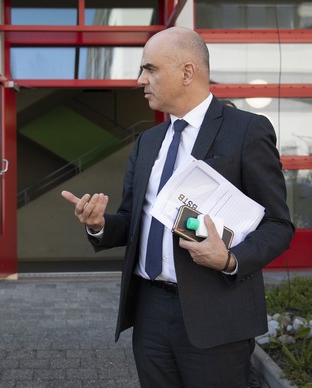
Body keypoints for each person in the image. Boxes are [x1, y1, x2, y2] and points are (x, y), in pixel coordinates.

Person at [62, 26, 294, 387]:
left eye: (150, 69)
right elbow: (131, 219)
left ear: (187, 72)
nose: (140, 80)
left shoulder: (246, 130)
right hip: (150, 311)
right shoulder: (147, 141)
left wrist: (231, 261)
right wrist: (98, 224)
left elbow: (279, 224)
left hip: (216, 312)